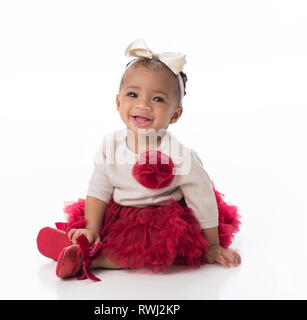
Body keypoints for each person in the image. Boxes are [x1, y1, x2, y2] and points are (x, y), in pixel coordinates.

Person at [36, 39, 241, 281]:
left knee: (152, 247)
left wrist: (213, 245)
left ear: (175, 115)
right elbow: (98, 189)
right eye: (133, 94)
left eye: (158, 99)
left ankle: (90, 260)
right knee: (93, 223)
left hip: (160, 219)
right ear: (118, 102)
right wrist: (91, 227)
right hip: (119, 214)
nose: (143, 105)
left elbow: (202, 197)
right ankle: (84, 241)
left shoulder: (180, 155)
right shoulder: (110, 145)